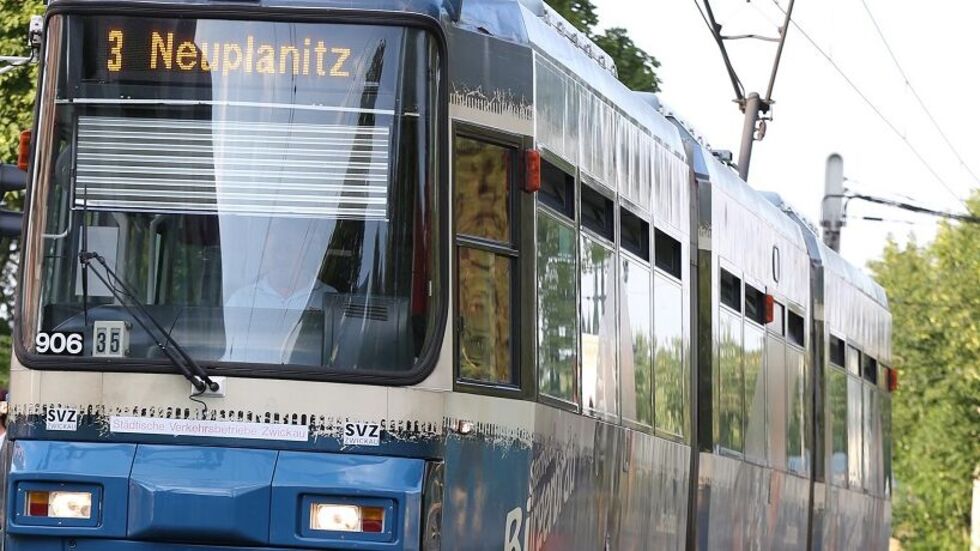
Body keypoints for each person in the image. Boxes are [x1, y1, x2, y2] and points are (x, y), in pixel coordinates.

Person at [221, 223, 337, 364]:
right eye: (275, 250)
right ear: (265, 256)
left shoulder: (329, 298)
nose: (281, 257)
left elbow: (338, 357)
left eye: (288, 250)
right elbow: (227, 356)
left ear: (304, 254)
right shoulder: (241, 299)